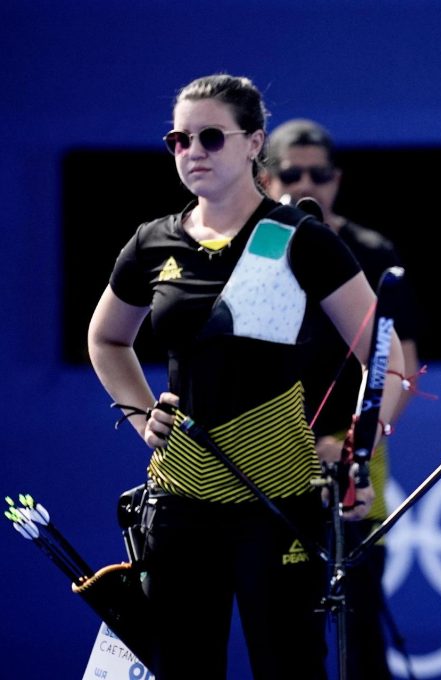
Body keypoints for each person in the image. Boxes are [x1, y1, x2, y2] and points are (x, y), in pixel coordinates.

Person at [87, 74, 404, 680]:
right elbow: (106, 338)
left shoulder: (302, 240)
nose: (192, 152)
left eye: (210, 137)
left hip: (279, 500)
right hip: (179, 499)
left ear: (255, 142)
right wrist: (139, 414)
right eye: (179, 139)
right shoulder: (151, 241)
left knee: (289, 668)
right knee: (180, 667)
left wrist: (357, 457)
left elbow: (385, 358)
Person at [260, 118, 423, 680]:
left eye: (319, 173)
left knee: (359, 606)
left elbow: (402, 359)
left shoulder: (373, 252)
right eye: (290, 173)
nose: (306, 183)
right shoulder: (254, 254)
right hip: (268, 455)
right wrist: (294, 443)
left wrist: (360, 440)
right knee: (284, 616)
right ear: (264, 178)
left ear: (337, 179)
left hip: (356, 451)